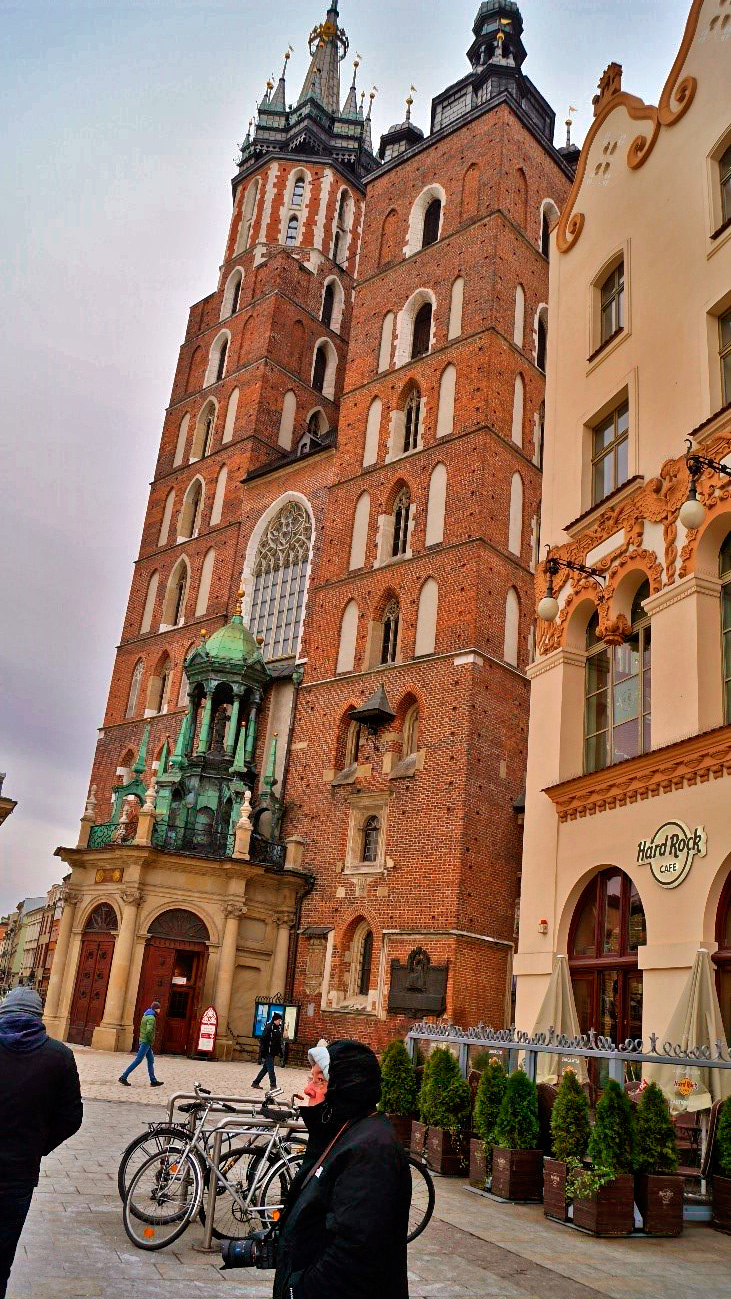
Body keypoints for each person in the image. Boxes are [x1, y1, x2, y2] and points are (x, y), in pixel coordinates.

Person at [225, 1038, 412, 1298]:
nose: (308, 1089)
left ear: (347, 1088)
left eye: (320, 1081)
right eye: (311, 1079)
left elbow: (353, 1254)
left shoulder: (370, 1150)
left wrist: (296, 1289)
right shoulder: (342, 1131)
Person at [0, 987, 83, 1299]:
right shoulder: (59, 1056)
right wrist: (37, 1145)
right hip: (19, 1173)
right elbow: (72, 1116)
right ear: (39, 1016)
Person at [118, 1001, 164, 1087]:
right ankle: (123, 1077)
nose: (160, 1011)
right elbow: (149, 1030)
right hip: (146, 1042)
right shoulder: (151, 1018)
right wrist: (150, 1040)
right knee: (138, 1060)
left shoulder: (146, 1015)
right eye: (159, 1009)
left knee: (151, 1060)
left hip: (145, 1041)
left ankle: (153, 1080)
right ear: (157, 1009)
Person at [251, 1011, 283, 1090]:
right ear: (275, 1020)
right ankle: (273, 1085)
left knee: (265, 1068)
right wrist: (264, 1050)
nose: (280, 1022)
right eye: (279, 1020)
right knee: (271, 1069)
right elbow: (263, 1039)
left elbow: (278, 1041)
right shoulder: (269, 1027)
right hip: (268, 1052)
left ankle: (255, 1082)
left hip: (272, 1052)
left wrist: (280, 1052)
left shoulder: (277, 1028)